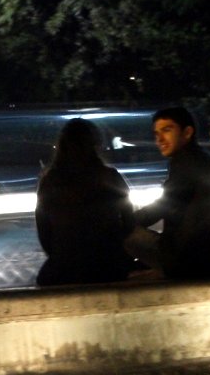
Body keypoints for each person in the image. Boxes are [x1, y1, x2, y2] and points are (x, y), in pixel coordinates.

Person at [124, 105, 210, 280]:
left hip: (196, 261)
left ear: (187, 133)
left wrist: (125, 222)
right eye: (156, 134)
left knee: (126, 233)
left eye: (167, 130)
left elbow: (164, 205)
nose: (160, 139)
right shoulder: (203, 160)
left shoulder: (186, 162)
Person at [34, 118, 136, 286]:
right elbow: (129, 222)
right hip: (108, 266)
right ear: (95, 144)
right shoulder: (110, 177)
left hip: (64, 268)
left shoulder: (50, 181)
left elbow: (44, 232)